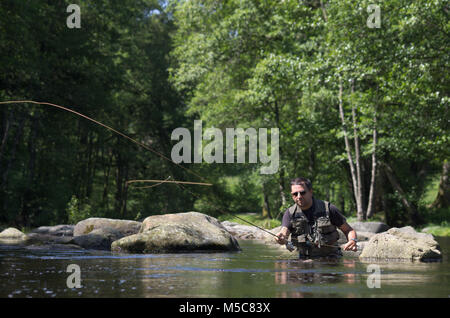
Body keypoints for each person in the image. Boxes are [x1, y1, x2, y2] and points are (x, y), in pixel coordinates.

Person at [275, 177, 358, 259]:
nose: (299, 196)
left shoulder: (329, 209)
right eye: (295, 194)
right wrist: (280, 237)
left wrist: (352, 240)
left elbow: (348, 230)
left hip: (330, 259)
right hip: (304, 259)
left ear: (310, 192)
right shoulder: (290, 213)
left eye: (302, 192)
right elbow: (284, 232)